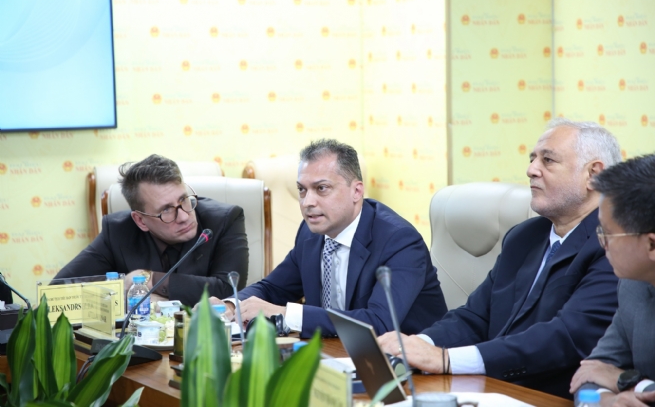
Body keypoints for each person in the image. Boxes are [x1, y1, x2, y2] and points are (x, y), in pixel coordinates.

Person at [378, 119, 622, 399]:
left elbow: (566, 337)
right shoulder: (524, 236)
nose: (531, 170)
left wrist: (446, 360)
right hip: (490, 390)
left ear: (593, 174)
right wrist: (414, 345)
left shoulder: (614, 245)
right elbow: (475, 316)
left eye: (548, 160)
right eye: (532, 159)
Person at [210, 139, 448, 338]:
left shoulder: (399, 241)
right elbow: (274, 288)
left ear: (356, 191)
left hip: (410, 367)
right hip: (335, 354)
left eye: (321, 188)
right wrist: (231, 305)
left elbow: (378, 322)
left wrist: (285, 314)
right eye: (302, 190)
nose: (307, 202)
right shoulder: (310, 232)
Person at [54, 154, 249, 306]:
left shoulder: (225, 220)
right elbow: (58, 292)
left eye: (183, 199)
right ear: (141, 220)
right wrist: (125, 297)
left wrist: (149, 280)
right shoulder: (118, 232)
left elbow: (229, 290)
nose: (184, 216)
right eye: (166, 210)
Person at [570, 154, 655, 407]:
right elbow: (590, 373)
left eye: (607, 234)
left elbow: (610, 374)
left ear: (652, 244)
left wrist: (626, 381)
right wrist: (607, 402)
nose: (602, 244)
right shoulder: (633, 286)